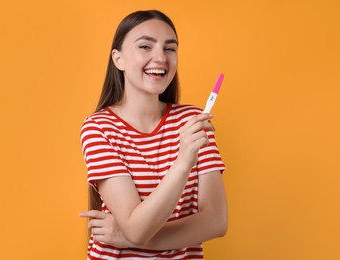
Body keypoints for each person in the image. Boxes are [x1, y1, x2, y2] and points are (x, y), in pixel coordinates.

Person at [79, 10, 228, 259]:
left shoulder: (193, 121)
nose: (160, 57)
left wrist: (124, 237)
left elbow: (216, 222)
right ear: (118, 59)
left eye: (170, 49)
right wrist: (184, 162)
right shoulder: (99, 128)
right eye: (145, 46)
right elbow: (137, 229)